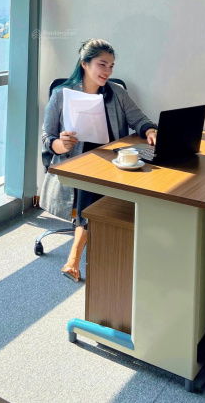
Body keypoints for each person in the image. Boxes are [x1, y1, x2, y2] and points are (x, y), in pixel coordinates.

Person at [40, 38, 157, 282]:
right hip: (74, 163)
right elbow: (47, 138)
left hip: (111, 161)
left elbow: (139, 119)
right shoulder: (61, 95)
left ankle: (99, 251)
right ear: (85, 63)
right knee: (90, 182)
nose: (108, 71)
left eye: (111, 66)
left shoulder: (117, 92)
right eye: (102, 64)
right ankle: (75, 257)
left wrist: (149, 130)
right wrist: (61, 144)